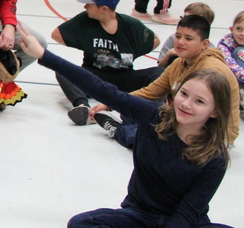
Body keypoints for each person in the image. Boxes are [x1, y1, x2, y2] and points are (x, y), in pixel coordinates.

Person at [18, 23, 244, 228]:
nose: (186, 104)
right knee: (81, 226)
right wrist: (43, 55)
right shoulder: (153, 116)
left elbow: (187, 214)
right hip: (140, 215)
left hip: (184, 225)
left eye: (199, 101)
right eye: (184, 94)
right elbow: (103, 89)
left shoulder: (215, 156)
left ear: (215, 112)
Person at [92, 15, 239, 151]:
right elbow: (151, 92)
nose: (180, 42)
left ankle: (118, 130)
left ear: (204, 44)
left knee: (148, 140)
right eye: (178, 36)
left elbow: (206, 116)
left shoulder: (210, 71)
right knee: (135, 110)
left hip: (213, 135)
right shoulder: (179, 63)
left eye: (189, 38)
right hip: (189, 121)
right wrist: (111, 103)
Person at [51, 0, 160, 126]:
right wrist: (84, 44)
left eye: (89, 4)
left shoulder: (130, 25)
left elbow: (155, 40)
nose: (85, 7)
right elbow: (56, 34)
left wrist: (133, 52)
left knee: (159, 72)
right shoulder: (85, 20)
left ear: (104, 9)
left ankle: (154, 110)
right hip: (94, 77)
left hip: (124, 78)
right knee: (62, 69)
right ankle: (83, 107)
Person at [158, 3, 216, 68]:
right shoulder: (173, 38)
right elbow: (160, 67)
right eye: (184, 17)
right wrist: (168, 54)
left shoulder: (210, 50)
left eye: (189, 39)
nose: (181, 42)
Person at [215, 11, 244, 87]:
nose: (242, 34)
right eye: (239, 29)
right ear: (232, 29)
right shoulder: (224, 45)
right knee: (240, 51)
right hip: (232, 83)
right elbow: (231, 65)